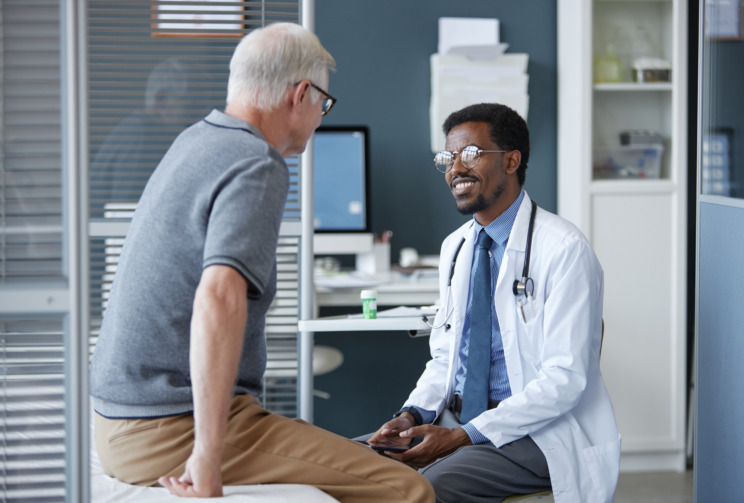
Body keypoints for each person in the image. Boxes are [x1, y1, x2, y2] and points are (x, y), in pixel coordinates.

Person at [89, 22, 434, 503]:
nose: (320, 117)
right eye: (323, 104)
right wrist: (206, 457)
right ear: (300, 95)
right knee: (407, 490)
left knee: (358, 457)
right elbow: (218, 297)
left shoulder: (196, 140)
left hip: (123, 418)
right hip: (165, 427)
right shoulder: (256, 162)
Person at [367, 103, 621, 503]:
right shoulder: (456, 247)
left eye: (470, 154)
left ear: (511, 160)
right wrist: (412, 414)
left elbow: (565, 378)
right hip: (456, 419)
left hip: (535, 432)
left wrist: (463, 436)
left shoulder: (565, 250)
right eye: (447, 159)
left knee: (423, 489)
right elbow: (445, 356)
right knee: (347, 464)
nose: (455, 169)